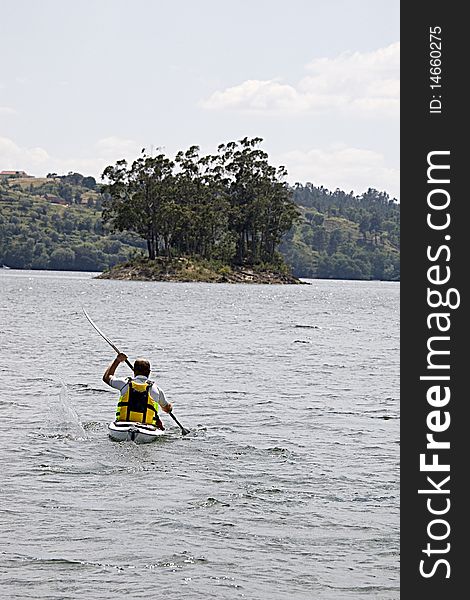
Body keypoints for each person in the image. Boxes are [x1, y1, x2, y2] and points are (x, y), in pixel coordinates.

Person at [103, 353, 172, 430]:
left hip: (122, 426)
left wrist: (117, 360)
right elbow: (166, 408)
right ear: (149, 372)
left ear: (134, 370)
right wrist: (169, 408)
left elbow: (107, 378)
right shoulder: (156, 389)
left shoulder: (124, 383)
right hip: (147, 428)